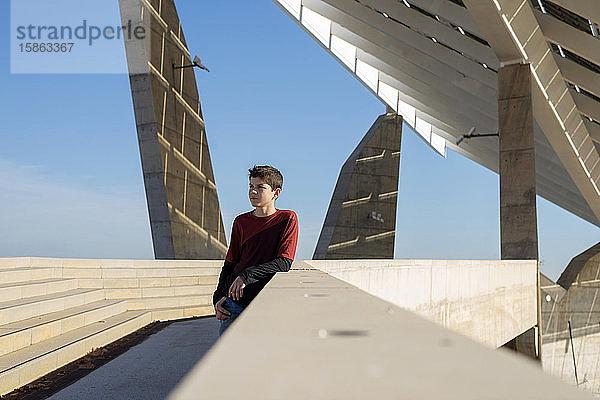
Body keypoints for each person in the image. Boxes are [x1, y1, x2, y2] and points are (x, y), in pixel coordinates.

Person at [213, 165, 299, 336]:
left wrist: (247, 275)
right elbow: (230, 263)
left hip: (266, 306)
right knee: (228, 360)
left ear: (276, 193)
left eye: (260, 187)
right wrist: (217, 297)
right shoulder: (240, 221)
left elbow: (284, 262)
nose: (253, 192)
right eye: (251, 186)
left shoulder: (287, 219)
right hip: (233, 305)